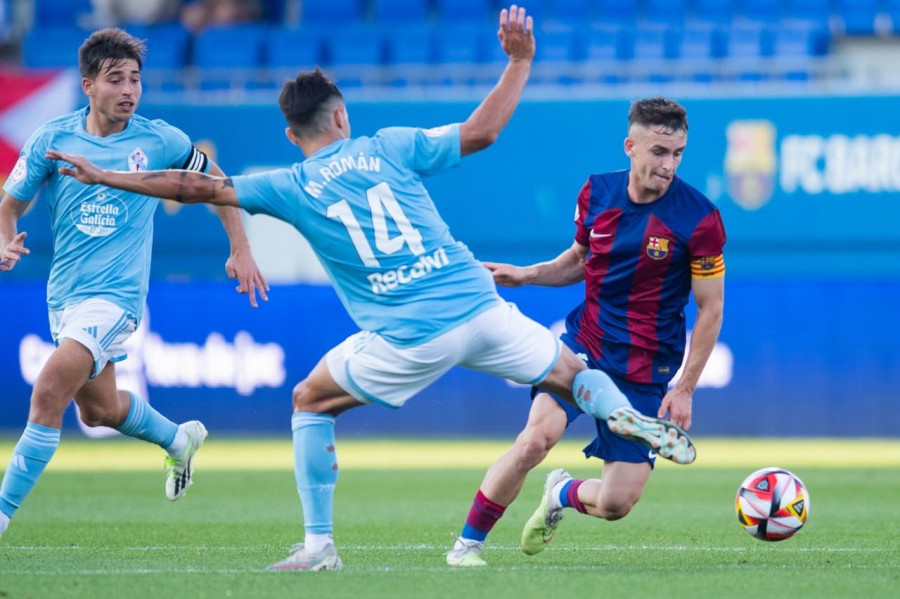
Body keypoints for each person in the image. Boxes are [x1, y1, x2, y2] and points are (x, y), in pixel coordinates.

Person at [46, 6, 695, 572]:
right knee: (572, 371)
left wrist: (107, 176)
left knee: (309, 399)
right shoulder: (389, 146)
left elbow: (196, 187)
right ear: (343, 116)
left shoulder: (288, 183)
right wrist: (519, 62)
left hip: (410, 333)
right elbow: (482, 132)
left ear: (291, 135)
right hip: (478, 302)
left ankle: (319, 544)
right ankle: (619, 411)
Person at [0, 28, 267, 540]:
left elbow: (214, 184)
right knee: (99, 409)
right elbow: (9, 207)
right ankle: (178, 439)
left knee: (49, 390)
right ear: (88, 85)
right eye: (116, 79)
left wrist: (241, 246)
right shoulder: (51, 139)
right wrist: (6, 241)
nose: (129, 90)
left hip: (117, 298)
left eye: (136, 80)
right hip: (66, 297)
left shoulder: (158, 139)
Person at [448, 97, 726, 565]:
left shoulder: (699, 218)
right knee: (535, 439)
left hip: (644, 370)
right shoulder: (596, 193)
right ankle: (466, 546)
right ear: (630, 146)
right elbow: (578, 260)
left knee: (616, 504)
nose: (669, 164)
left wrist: (686, 388)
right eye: (659, 151)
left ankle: (561, 492)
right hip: (585, 349)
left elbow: (711, 307)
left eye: (678, 153)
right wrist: (528, 274)